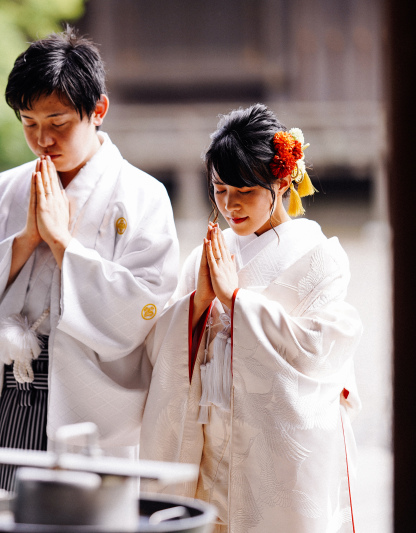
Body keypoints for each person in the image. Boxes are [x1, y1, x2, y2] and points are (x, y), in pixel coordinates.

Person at [0, 28, 179, 495]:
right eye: (28, 123)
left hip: (87, 400)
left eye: (58, 122)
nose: (42, 139)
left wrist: (64, 243)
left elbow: (148, 303)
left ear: (98, 110)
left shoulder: (142, 196)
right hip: (8, 388)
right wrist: (25, 241)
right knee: (1, 508)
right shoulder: (4, 190)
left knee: (80, 515)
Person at [140, 103, 362, 532]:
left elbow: (318, 349)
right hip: (208, 440)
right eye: (220, 190)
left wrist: (236, 300)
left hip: (270, 449)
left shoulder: (321, 259)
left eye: (245, 190)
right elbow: (158, 347)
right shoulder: (208, 255)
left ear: (280, 183)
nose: (229, 205)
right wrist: (198, 304)